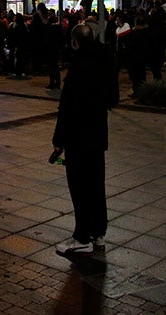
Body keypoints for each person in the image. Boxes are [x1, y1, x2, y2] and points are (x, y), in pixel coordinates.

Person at [52, 21, 118, 255]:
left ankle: (82, 236)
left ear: (75, 42)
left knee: (79, 187)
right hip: (97, 135)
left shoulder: (79, 66)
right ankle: (98, 233)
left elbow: (67, 107)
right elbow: (113, 99)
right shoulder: (105, 61)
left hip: (78, 137)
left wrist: (58, 140)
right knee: (96, 185)